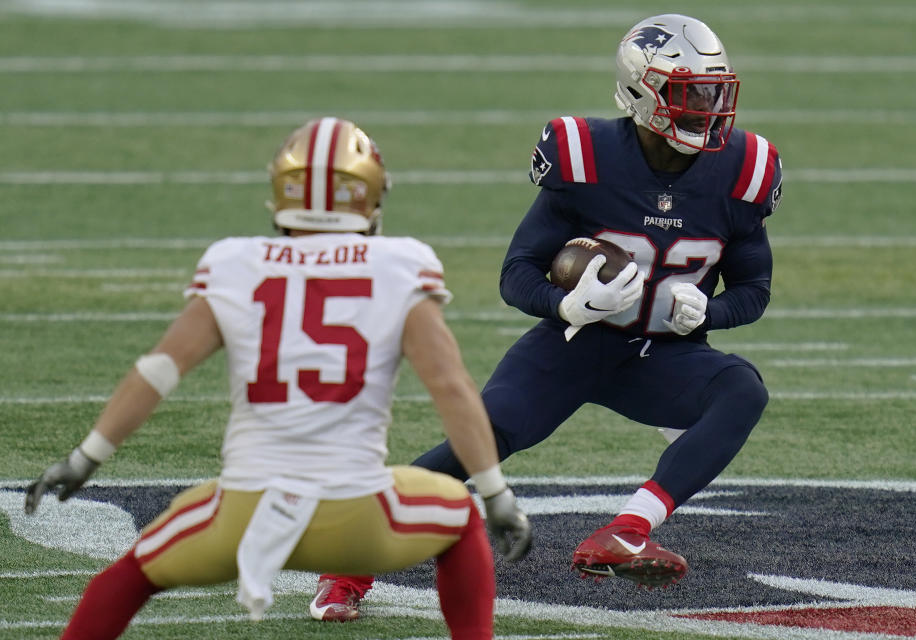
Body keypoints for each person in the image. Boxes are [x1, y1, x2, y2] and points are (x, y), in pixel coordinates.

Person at [312, 12, 782, 619]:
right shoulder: (584, 155)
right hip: (574, 342)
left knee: (742, 390)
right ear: (643, 92)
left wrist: (709, 314)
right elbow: (518, 272)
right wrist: (563, 303)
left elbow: (755, 289)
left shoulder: (742, 169)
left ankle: (629, 529)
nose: (708, 108)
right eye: (690, 93)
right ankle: (348, 561)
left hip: (661, 353)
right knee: (480, 439)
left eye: (715, 92)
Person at [23, 116, 532, 640]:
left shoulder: (235, 262)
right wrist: (494, 492)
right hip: (357, 514)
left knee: (125, 579)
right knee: (462, 521)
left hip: (243, 514)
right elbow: (450, 388)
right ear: (369, 196)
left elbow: (157, 371)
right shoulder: (400, 264)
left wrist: (85, 458)